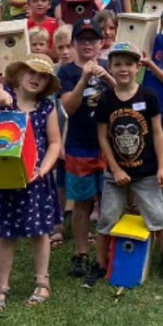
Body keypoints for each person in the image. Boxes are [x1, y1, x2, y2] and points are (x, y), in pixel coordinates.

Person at [0, 56, 64, 307]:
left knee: (40, 232)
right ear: (19, 74)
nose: (36, 79)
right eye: (31, 72)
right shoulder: (5, 97)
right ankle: (1, 287)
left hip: (36, 179)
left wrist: (44, 168)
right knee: (6, 234)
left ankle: (42, 282)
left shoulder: (46, 108)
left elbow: (55, 143)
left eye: (43, 76)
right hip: (4, 179)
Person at [94, 43, 163, 285]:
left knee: (158, 217)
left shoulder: (148, 96)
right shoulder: (106, 100)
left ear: (138, 67)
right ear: (110, 67)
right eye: (118, 64)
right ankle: (100, 264)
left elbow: (158, 133)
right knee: (106, 219)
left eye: (129, 64)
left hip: (147, 172)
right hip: (116, 174)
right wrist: (116, 169)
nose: (124, 69)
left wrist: (162, 167)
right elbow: (103, 137)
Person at [58, 22, 111, 281]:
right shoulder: (67, 71)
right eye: (82, 40)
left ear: (102, 43)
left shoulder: (110, 66)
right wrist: (84, 80)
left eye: (93, 40)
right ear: (74, 44)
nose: (88, 44)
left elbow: (124, 95)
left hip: (108, 146)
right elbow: (68, 107)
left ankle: (106, 251)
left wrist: (106, 76)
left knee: (108, 200)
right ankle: (81, 252)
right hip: (79, 145)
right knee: (82, 202)